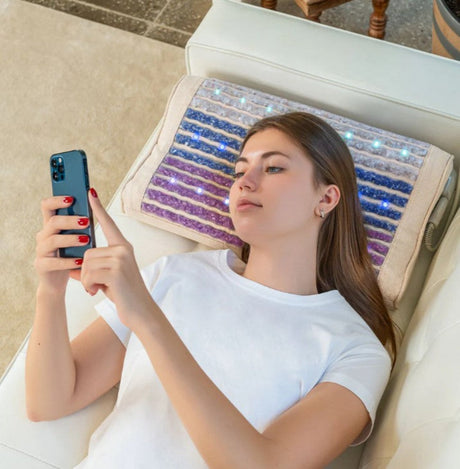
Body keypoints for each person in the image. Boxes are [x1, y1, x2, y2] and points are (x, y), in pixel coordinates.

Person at [26, 112, 396, 469]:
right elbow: (50, 401)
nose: (245, 182)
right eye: (239, 171)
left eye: (273, 167)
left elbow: (261, 465)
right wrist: (51, 291)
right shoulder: (176, 273)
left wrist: (147, 317)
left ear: (327, 199)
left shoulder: (356, 350)